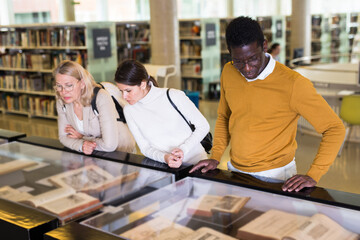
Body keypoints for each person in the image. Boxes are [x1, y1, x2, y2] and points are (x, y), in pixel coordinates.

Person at [190, 17, 345, 192]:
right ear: (229, 51)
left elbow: (334, 128)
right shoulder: (228, 71)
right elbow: (224, 116)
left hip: (276, 176)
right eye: (239, 61)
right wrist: (216, 156)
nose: (247, 68)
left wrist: (314, 174)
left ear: (264, 46)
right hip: (235, 170)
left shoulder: (293, 84)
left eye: (253, 58)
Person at [114, 59, 210, 168]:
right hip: (166, 168)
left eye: (128, 91)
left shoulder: (174, 96)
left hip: (197, 164)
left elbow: (203, 126)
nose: (124, 97)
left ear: (142, 84)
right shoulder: (129, 110)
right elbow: (145, 148)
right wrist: (165, 157)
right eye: (121, 91)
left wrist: (183, 149)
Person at [54, 60, 135, 155]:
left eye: (69, 86)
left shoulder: (100, 97)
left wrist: (82, 138)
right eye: (59, 86)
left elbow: (109, 145)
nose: (63, 91)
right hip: (95, 153)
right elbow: (63, 137)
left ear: (82, 83)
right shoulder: (62, 102)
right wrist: (81, 145)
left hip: (121, 153)